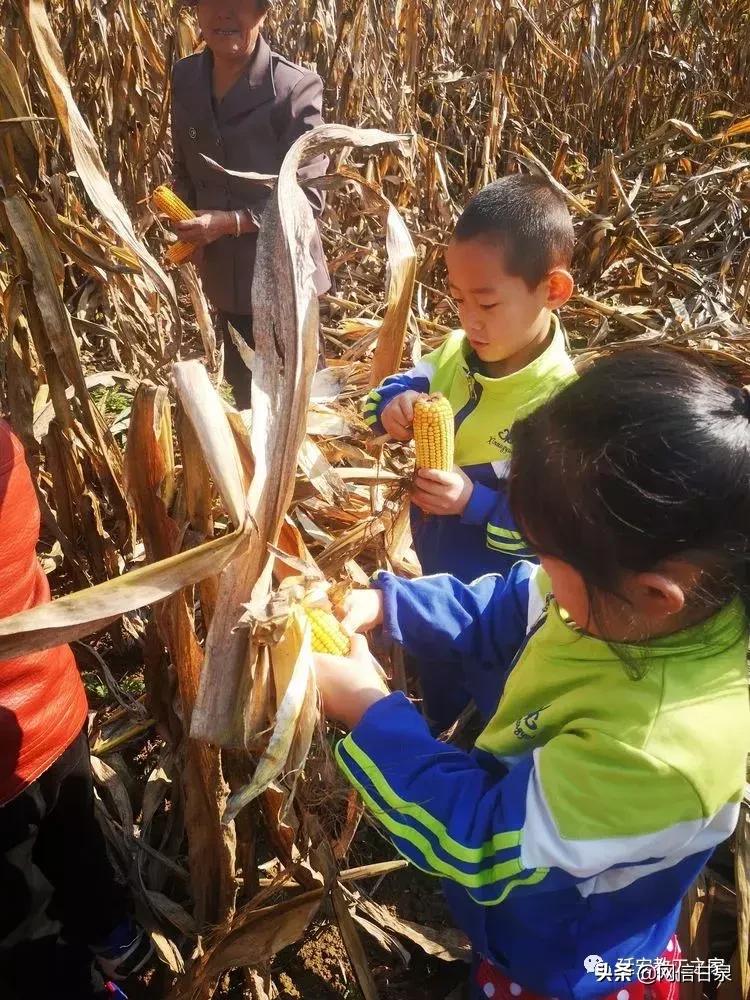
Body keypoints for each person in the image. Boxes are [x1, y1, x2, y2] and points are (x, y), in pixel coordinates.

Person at [316, 349, 750, 1000]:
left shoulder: (654, 750)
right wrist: (392, 604)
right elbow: (512, 600)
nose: (539, 567)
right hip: (538, 903)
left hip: (568, 960)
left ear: (656, 594)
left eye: (549, 553)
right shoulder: (628, 599)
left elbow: (488, 844)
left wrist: (370, 714)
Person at [364, 174, 576, 583]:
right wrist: (393, 406)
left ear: (552, 290)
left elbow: (549, 533)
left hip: (492, 601)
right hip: (434, 567)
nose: (469, 321)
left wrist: (470, 501)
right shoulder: (453, 353)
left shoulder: (560, 408)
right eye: (458, 299)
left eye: (487, 303)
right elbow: (378, 398)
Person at [0, 423, 148, 999]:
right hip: (55, 708)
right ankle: (120, 944)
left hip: (5, 767)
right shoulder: (6, 444)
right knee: (76, 843)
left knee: (22, 918)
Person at [170, 0, 331, 407]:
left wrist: (228, 222)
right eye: (213, 3)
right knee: (249, 402)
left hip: (283, 281)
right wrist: (189, 220)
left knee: (301, 410)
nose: (225, 14)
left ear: (263, 12)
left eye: (240, 4)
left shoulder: (295, 89)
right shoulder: (186, 77)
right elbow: (183, 162)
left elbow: (308, 198)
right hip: (225, 277)